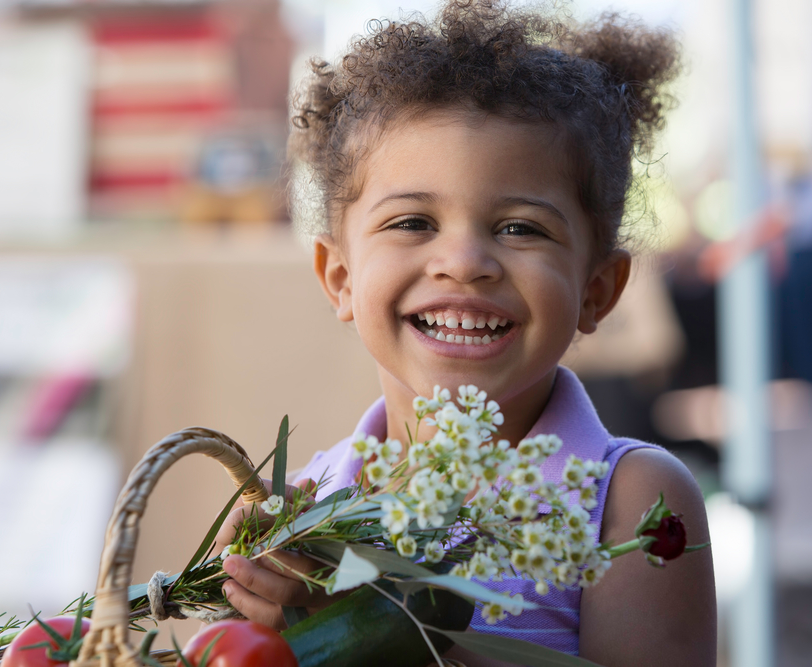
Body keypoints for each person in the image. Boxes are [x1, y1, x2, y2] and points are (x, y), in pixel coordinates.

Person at [215, 1, 716, 665]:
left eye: (519, 228)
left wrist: (379, 631)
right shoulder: (308, 505)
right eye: (412, 222)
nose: (463, 262)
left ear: (598, 289)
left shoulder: (628, 500)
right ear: (338, 276)